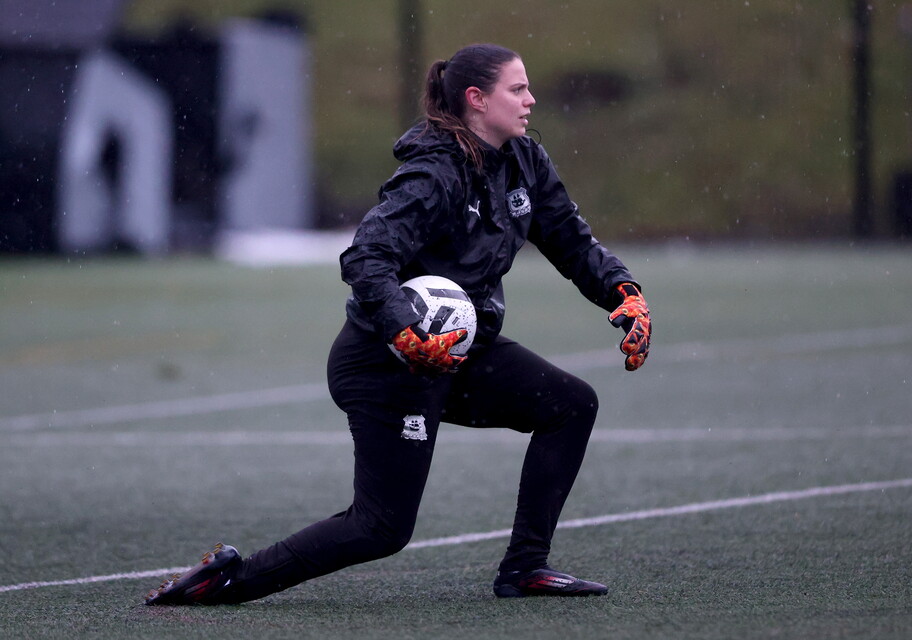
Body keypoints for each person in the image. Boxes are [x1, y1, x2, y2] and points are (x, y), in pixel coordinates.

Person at [145, 42, 651, 605]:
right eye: (518, 89)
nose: (531, 99)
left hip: (460, 354)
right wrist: (401, 327)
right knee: (380, 528)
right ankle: (230, 580)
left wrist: (621, 291)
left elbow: (570, 239)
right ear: (476, 100)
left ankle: (525, 569)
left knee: (570, 404)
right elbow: (365, 256)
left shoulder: (526, 162)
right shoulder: (434, 174)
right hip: (386, 363)